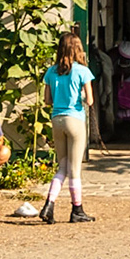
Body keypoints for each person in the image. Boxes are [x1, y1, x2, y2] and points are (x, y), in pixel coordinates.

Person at [40, 30, 96, 224]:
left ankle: (49, 203)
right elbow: (90, 100)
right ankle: (77, 209)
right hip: (75, 120)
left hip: (57, 119)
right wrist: (77, 97)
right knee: (74, 169)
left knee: (62, 166)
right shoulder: (82, 71)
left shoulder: (51, 71)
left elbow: (47, 100)